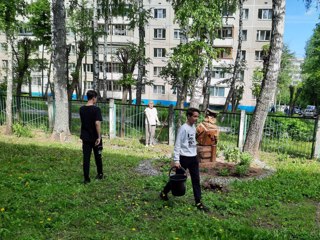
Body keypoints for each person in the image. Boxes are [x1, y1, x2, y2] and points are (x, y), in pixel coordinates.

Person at [159, 108, 209, 212]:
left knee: (196, 180)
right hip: (183, 158)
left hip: (193, 158)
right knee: (177, 179)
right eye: (195, 116)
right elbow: (178, 144)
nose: (196, 118)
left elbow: (191, 141)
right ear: (189, 116)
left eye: (197, 116)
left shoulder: (193, 127)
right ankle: (164, 192)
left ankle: (198, 202)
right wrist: (176, 160)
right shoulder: (183, 128)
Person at [80, 90, 104, 184]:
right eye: (96, 98)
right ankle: (100, 174)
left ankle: (86, 178)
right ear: (93, 98)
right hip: (95, 137)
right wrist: (99, 137)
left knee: (86, 158)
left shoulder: (81, 109)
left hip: (85, 137)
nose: (96, 100)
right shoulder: (96, 109)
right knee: (98, 156)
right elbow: (97, 123)